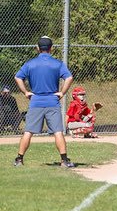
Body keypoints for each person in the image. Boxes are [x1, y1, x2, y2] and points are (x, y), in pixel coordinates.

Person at [13, 36, 75, 168]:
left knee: (28, 131)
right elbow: (69, 77)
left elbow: (18, 77)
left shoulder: (30, 64)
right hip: (53, 100)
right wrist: (62, 92)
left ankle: (19, 159)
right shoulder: (57, 64)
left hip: (36, 101)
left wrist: (26, 92)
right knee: (58, 132)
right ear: (51, 48)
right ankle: (64, 160)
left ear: (37, 48)